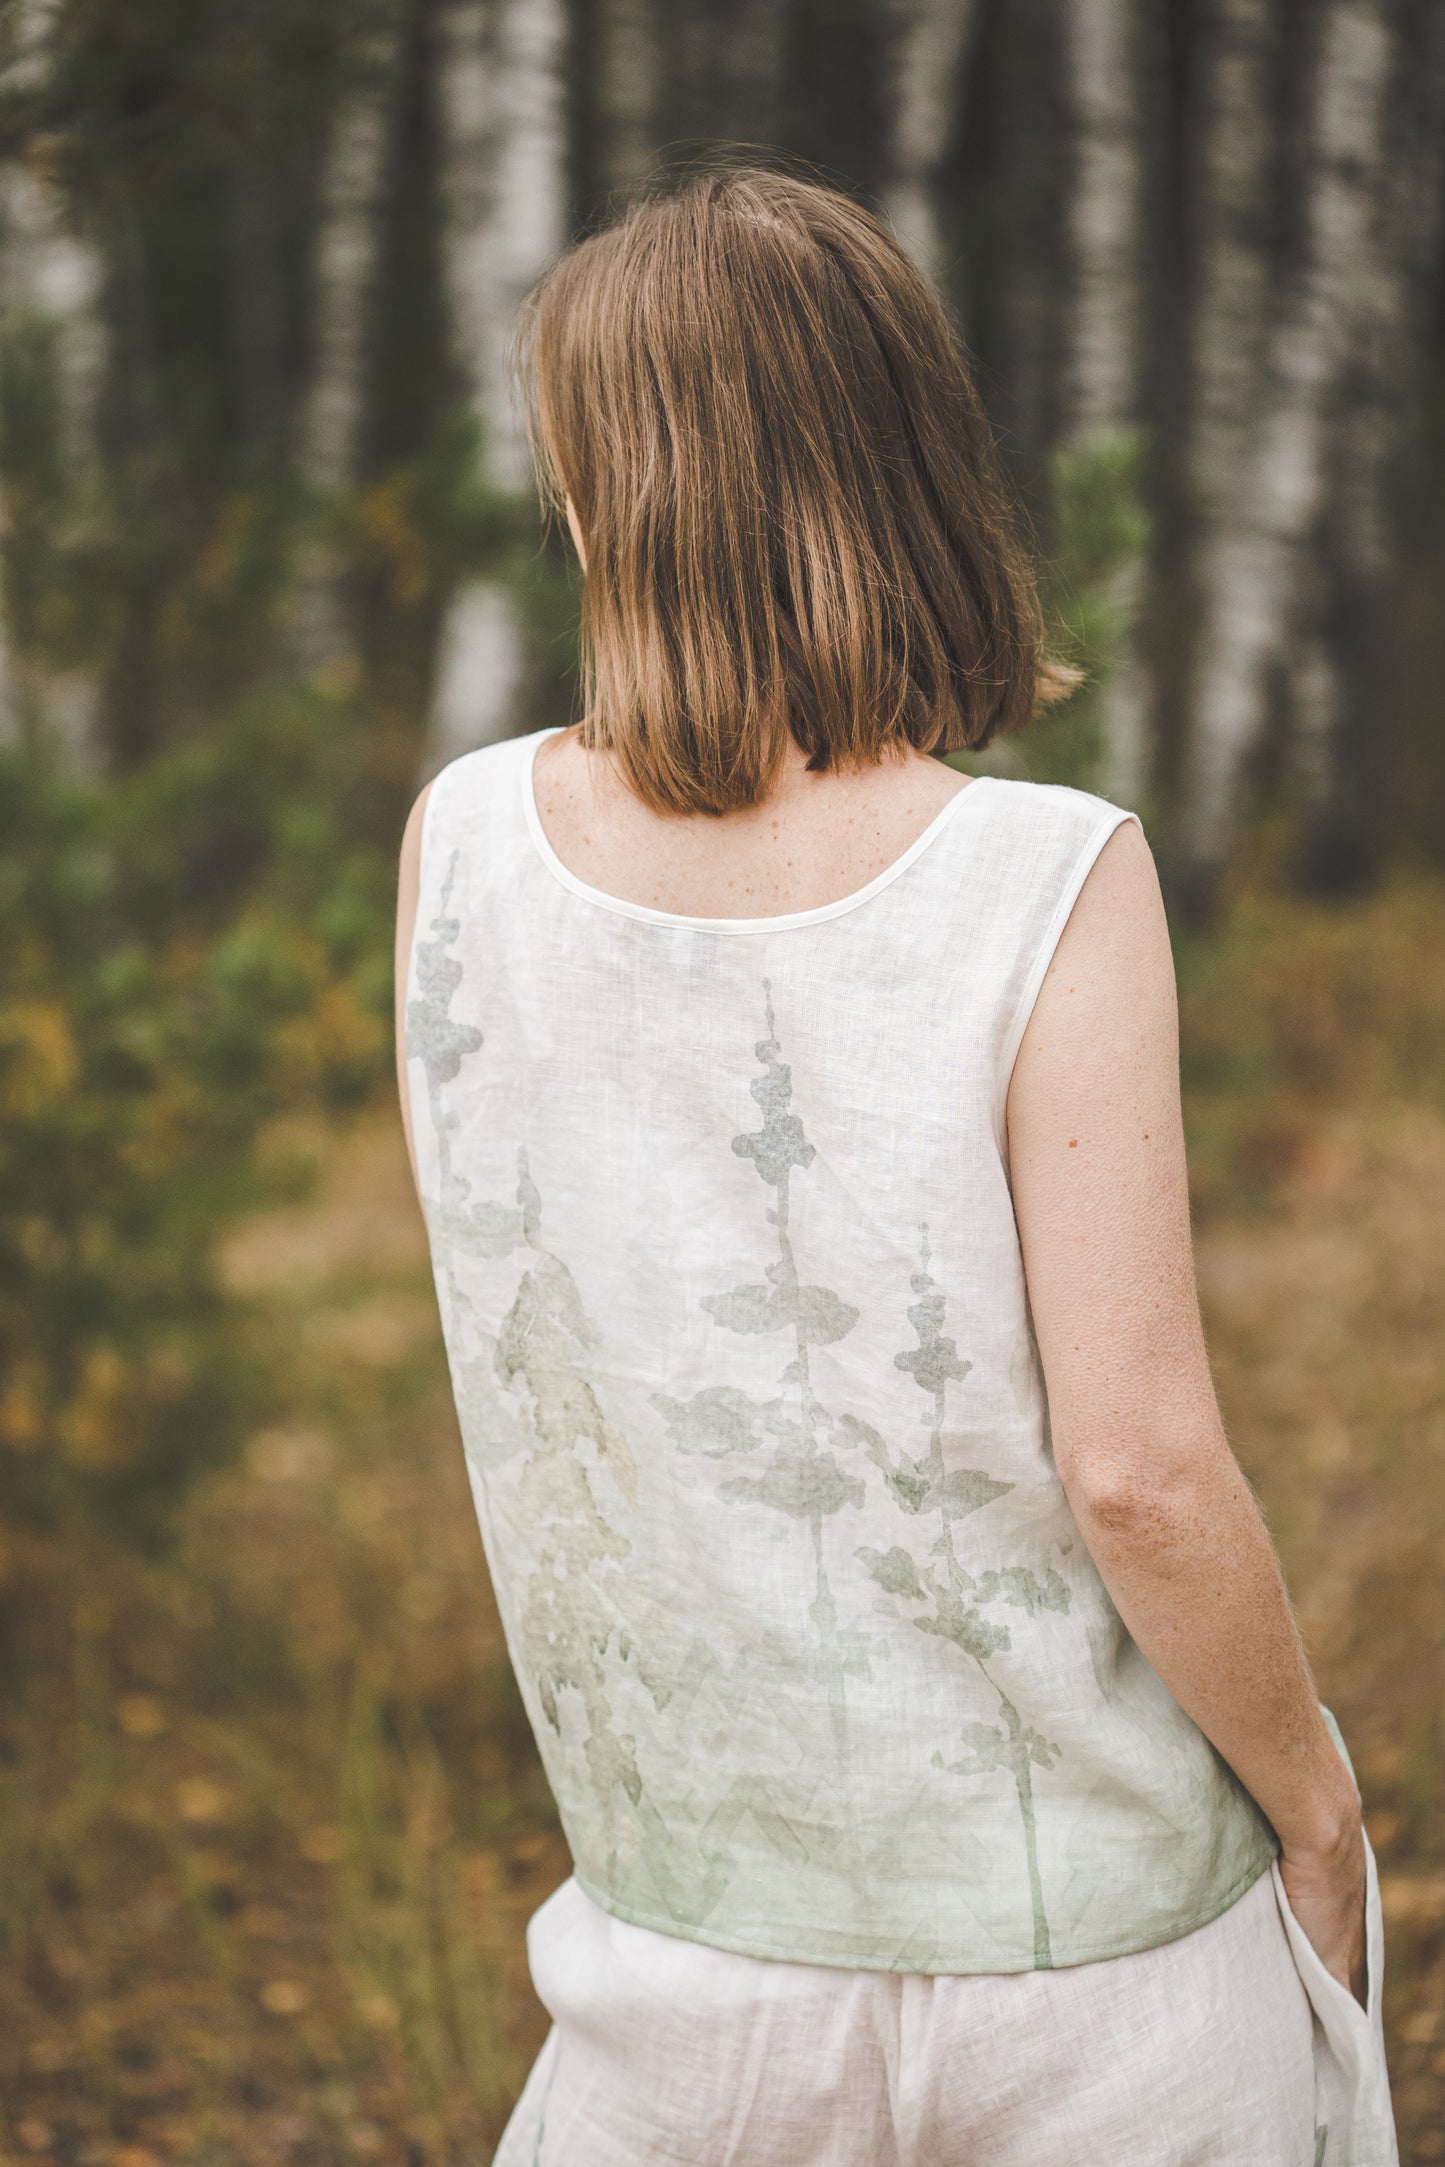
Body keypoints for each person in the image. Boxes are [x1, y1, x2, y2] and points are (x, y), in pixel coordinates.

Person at [393, 168, 1397, 2165]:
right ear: (908, 462)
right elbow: (1141, 1468)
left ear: (612, 496)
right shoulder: (1047, 877)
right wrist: (1321, 1805)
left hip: (680, 1978)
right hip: (1102, 1978)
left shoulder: (461, 847)